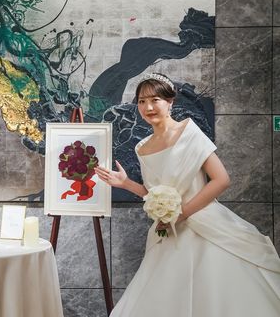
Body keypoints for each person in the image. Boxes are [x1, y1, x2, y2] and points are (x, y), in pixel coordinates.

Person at [95, 73, 280, 316]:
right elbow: (154, 194)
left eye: (155, 100)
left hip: (205, 225)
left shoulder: (189, 132)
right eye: (141, 101)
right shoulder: (142, 147)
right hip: (168, 230)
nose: (148, 107)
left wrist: (182, 213)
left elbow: (221, 179)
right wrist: (126, 183)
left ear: (170, 102)